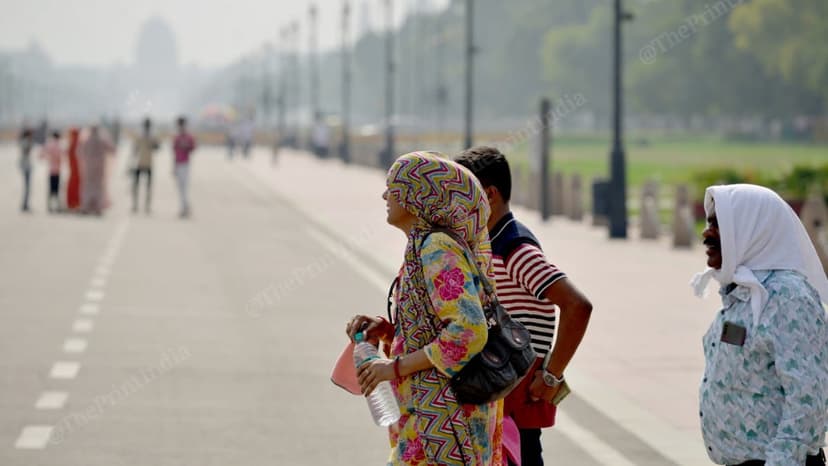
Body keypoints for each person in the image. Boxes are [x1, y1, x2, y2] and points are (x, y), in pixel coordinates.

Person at [346, 151, 503, 465]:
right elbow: (434, 327)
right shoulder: (421, 246)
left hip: (445, 423)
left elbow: (469, 331)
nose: (385, 195)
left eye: (394, 187)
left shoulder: (436, 248)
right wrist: (389, 332)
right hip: (430, 418)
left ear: (419, 195)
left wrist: (392, 368)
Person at [455, 146, 593, 466]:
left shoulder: (515, 249)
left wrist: (551, 376)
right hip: (503, 395)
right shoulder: (491, 242)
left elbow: (578, 306)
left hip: (517, 397)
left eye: (463, 194)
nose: (456, 205)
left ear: (489, 195)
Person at [691, 184, 828, 466]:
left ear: (753, 230)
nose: (707, 234)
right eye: (709, 223)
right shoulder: (743, 291)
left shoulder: (787, 298)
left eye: (720, 226)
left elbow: (809, 397)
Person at [80, 125, 114, 215]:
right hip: (99, 167)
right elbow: (112, 149)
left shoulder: (86, 140)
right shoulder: (102, 140)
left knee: (88, 186)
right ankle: (97, 207)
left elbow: (80, 152)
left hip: (89, 167)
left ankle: (86, 206)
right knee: (98, 187)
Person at [131, 118, 160, 213]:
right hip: (139, 163)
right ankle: (135, 205)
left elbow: (157, 148)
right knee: (136, 186)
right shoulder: (140, 136)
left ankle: (146, 206)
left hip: (148, 163)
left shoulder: (151, 136)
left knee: (147, 186)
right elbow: (134, 149)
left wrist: (152, 143)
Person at [172, 116, 196, 218]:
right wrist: (173, 167)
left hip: (185, 164)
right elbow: (174, 152)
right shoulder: (177, 138)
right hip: (178, 164)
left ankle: (184, 208)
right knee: (180, 187)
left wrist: (186, 147)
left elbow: (193, 148)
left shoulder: (188, 137)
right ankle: (185, 206)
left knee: (184, 187)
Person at [40, 130, 63, 213]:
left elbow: (41, 155)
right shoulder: (59, 145)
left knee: (51, 189)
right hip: (57, 170)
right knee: (56, 189)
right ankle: (56, 206)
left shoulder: (49, 144)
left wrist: (49, 158)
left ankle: (50, 206)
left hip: (51, 169)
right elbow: (62, 155)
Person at [65, 128, 82, 211]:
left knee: (74, 186)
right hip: (75, 170)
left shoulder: (73, 144)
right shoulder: (77, 143)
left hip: (75, 170)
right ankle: (74, 203)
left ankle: (73, 203)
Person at [18, 127, 34, 212]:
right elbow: (26, 151)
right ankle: (25, 204)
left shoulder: (24, 141)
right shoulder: (26, 142)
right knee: (27, 187)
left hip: (26, 166)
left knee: (27, 187)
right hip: (26, 167)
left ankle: (25, 204)